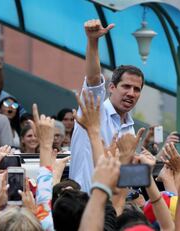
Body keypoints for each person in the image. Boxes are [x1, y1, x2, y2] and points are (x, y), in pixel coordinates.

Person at [69, 19, 145, 192]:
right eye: (126, 86)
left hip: (114, 210)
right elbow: (94, 78)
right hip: (83, 205)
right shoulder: (94, 110)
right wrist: (93, 41)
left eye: (136, 89)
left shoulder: (130, 128)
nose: (131, 93)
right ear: (111, 87)